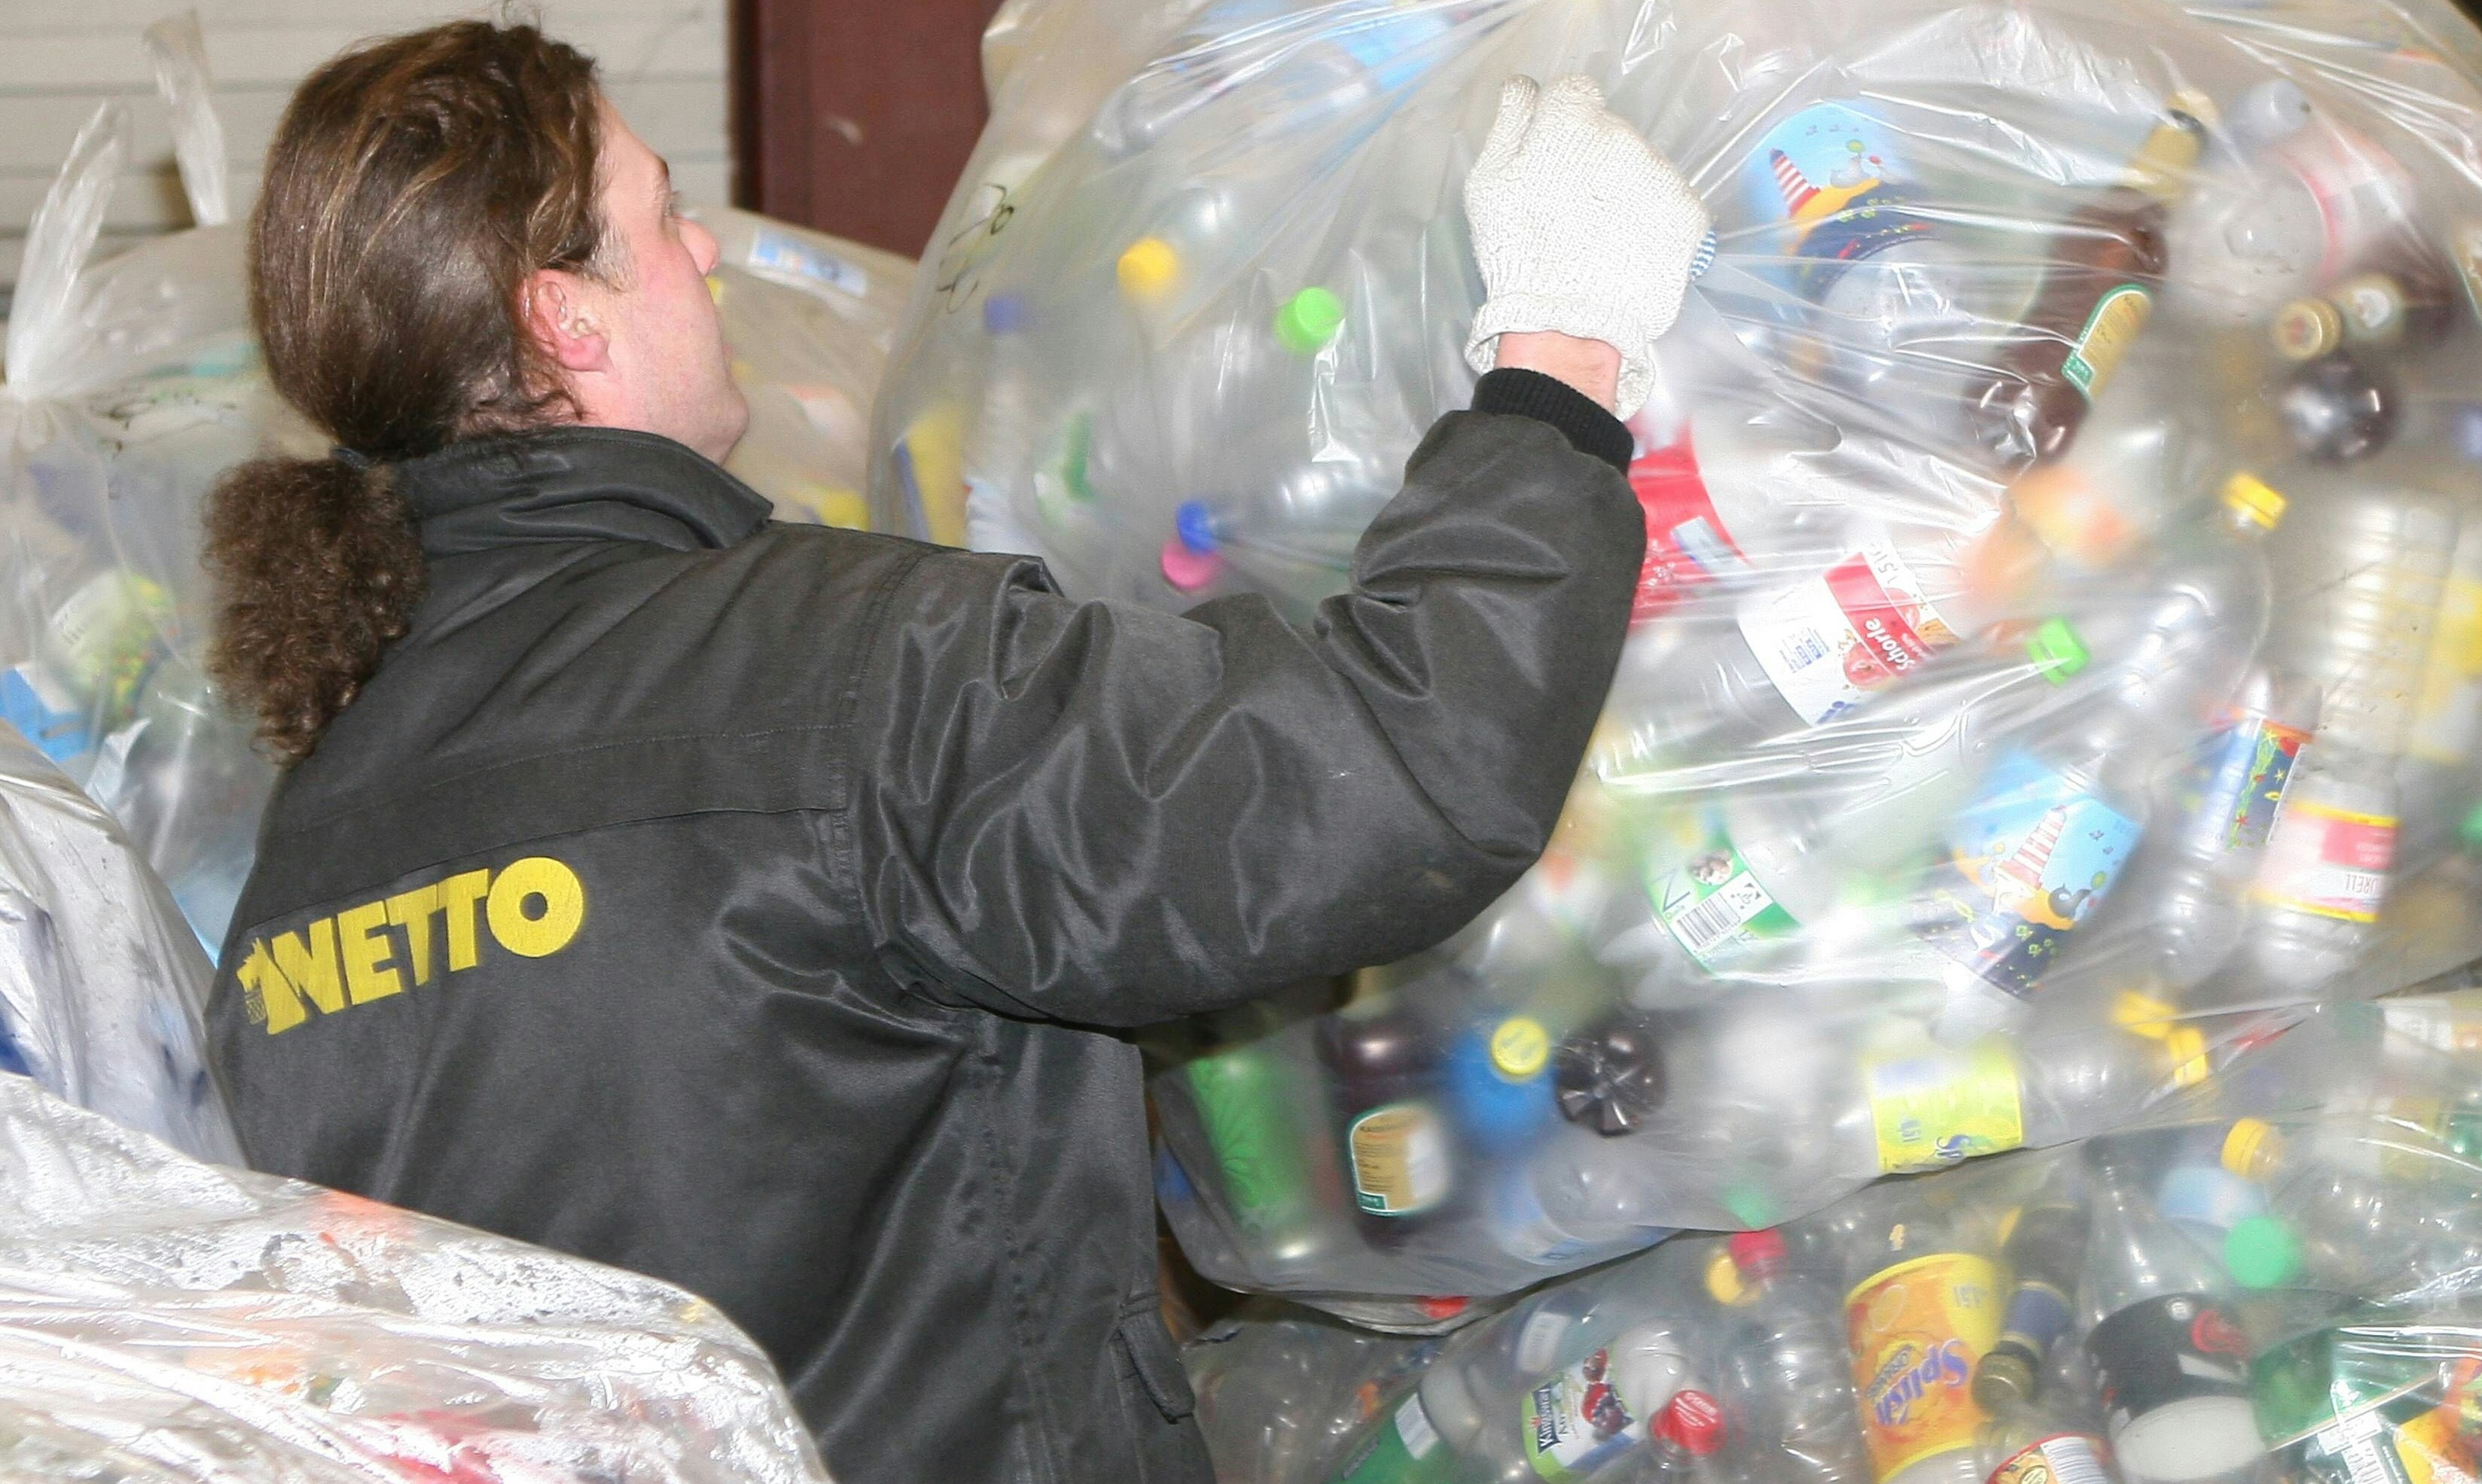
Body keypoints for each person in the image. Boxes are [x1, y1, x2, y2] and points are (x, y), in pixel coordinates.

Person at [200, 20, 1709, 1484]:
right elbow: (1385, 772)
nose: (707, 250)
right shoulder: (837, 673)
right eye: (662, 215)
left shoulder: (302, 865)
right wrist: (1558, 361)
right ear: (564, 319)